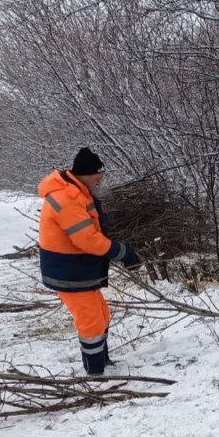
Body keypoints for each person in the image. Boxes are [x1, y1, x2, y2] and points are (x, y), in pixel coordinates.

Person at [38, 147, 141, 375]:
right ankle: (95, 373)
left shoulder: (77, 191)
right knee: (91, 322)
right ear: (86, 173)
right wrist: (122, 252)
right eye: (98, 175)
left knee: (102, 314)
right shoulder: (67, 197)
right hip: (69, 272)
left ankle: (102, 362)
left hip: (78, 269)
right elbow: (87, 239)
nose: (101, 180)